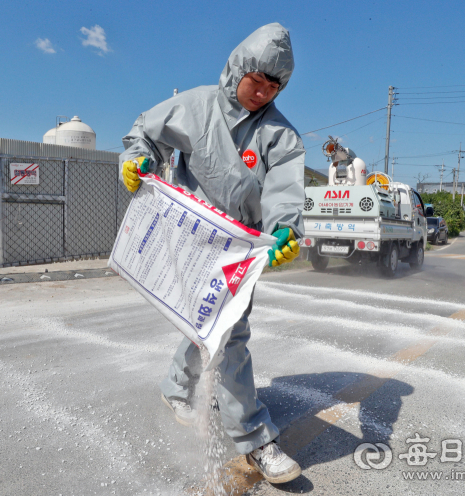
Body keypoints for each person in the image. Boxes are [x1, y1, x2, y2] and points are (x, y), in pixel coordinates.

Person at [118, 23, 304, 484]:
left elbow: (284, 193)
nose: (262, 92)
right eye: (256, 80)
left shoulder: (280, 136)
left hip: (239, 245)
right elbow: (144, 131)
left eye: (273, 86)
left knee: (221, 326)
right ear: (237, 69)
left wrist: (284, 232)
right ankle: (254, 437)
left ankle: (179, 388)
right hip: (189, 236)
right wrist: (137, 159)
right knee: (224, 330)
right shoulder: (197, 106)